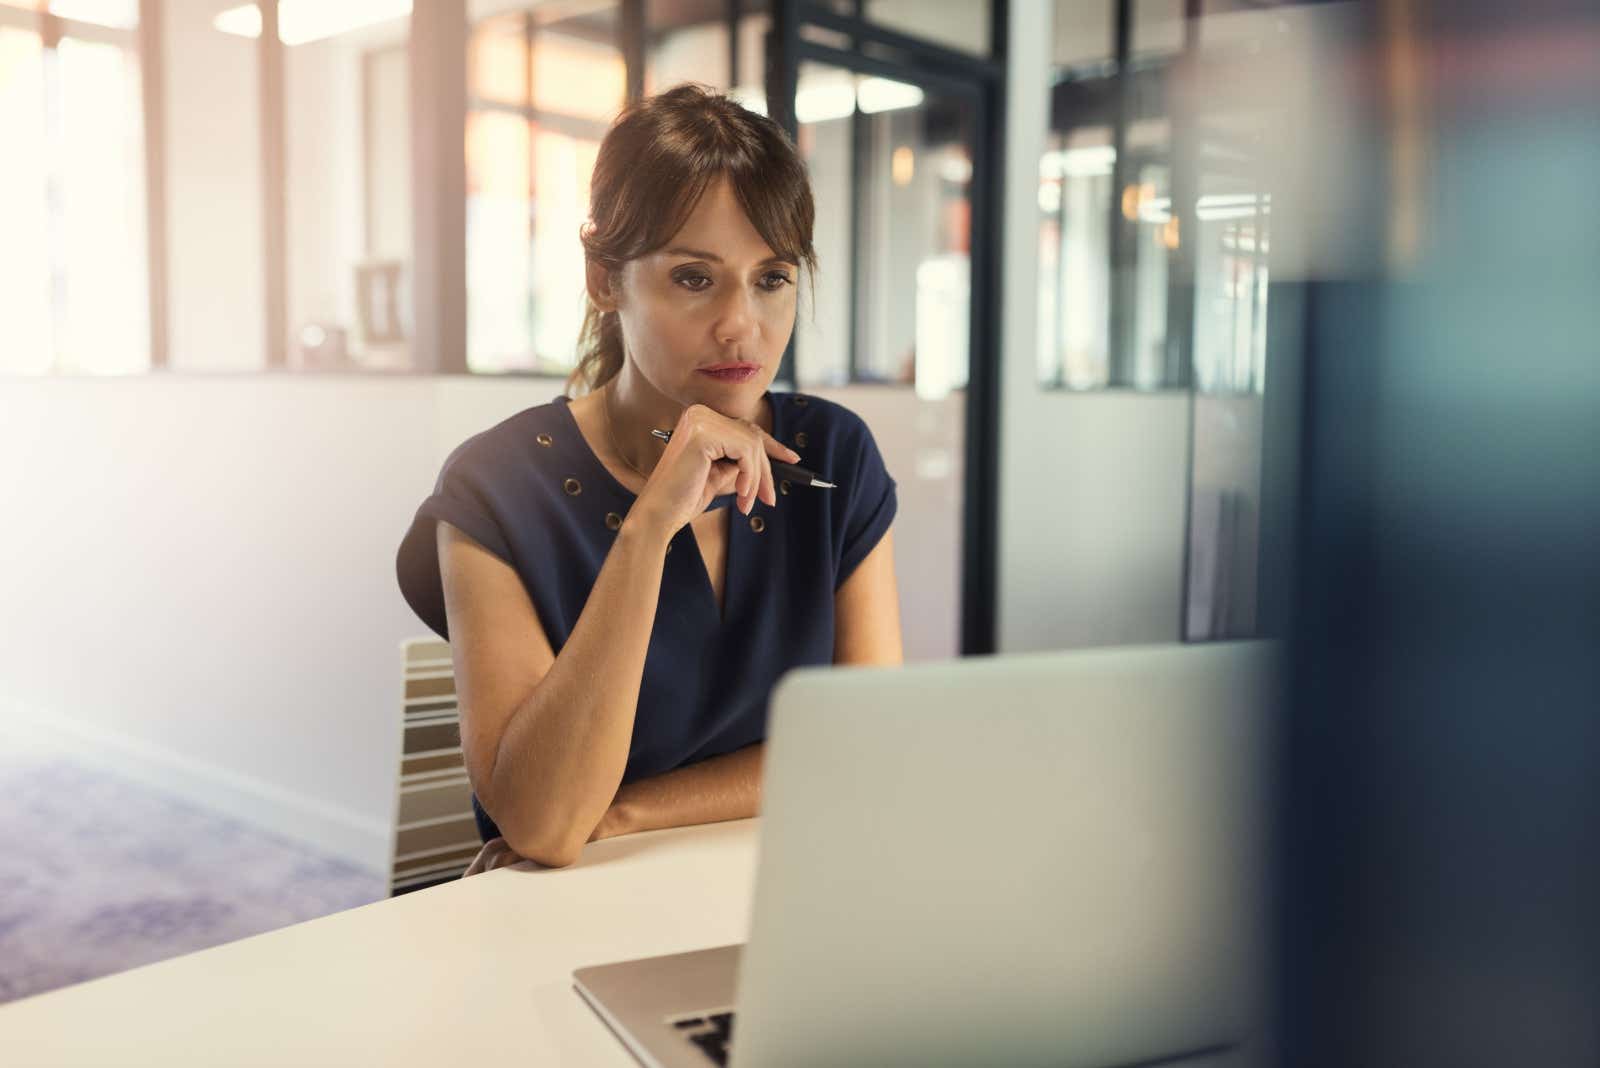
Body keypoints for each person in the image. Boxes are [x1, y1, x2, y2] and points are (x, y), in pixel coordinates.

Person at [395, 84, 903, 873]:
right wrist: (647, 528)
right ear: (604, 277)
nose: (743, 326)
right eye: (695, 279)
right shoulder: (497, 488)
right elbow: (542, 823)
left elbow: (868, 747)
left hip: (776, 894)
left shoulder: (831, 457)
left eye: (772, 278)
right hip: (559, 929)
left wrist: (628, 812)